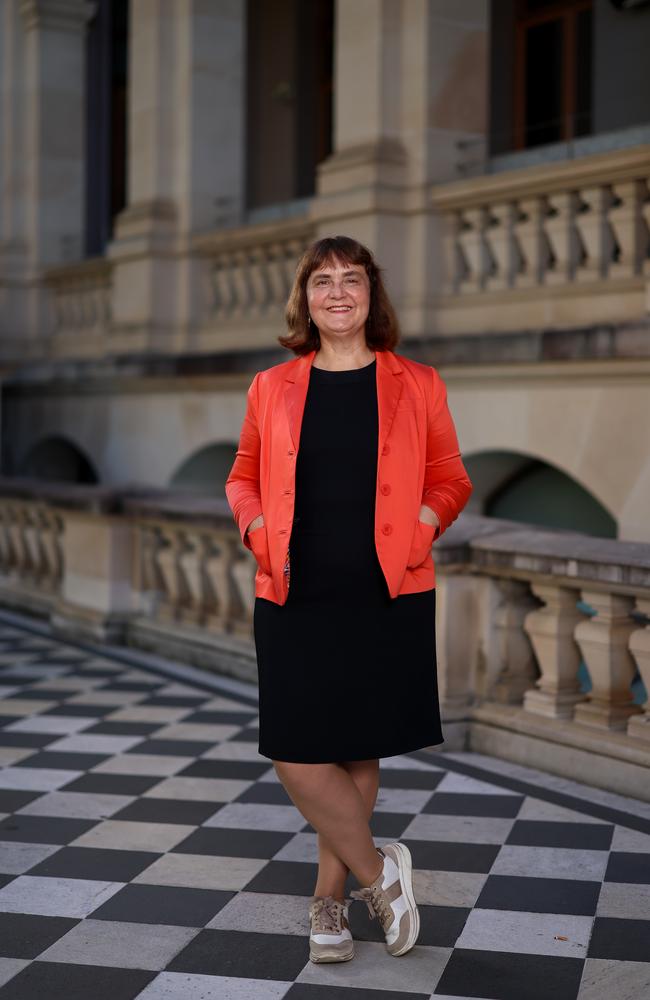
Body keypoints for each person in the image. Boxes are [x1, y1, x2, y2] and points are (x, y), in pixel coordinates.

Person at [225, 235, 473, 964]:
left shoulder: (417, 382)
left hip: (383, 592)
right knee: (298, 751)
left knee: (357, 745)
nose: (338, 292)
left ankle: (328, 903)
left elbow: (450, 478)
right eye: (323, 281)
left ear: (372, 293)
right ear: (304, 298)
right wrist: (259, 529)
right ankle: (380, 875)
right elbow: (241, 475)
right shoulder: (271, 386)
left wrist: (422, 529)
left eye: (352, 279)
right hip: (293, 590)